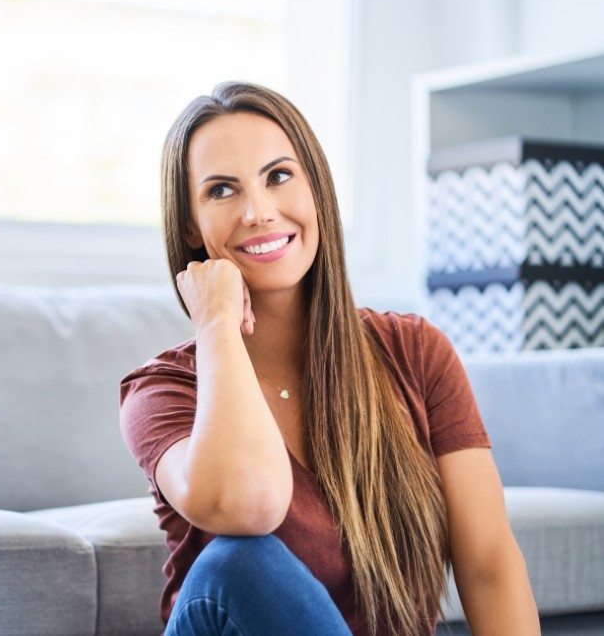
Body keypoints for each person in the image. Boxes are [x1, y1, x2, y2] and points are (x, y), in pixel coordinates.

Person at [119, 81, 540, 636]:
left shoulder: (415, 353)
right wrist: (216, 324)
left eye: (279, 176)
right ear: (191, 226)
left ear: (316, 187)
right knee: (237, 562)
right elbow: (251, 504)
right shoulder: (163, 392)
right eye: (222, 191)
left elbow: (488, 566)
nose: (258, 211)